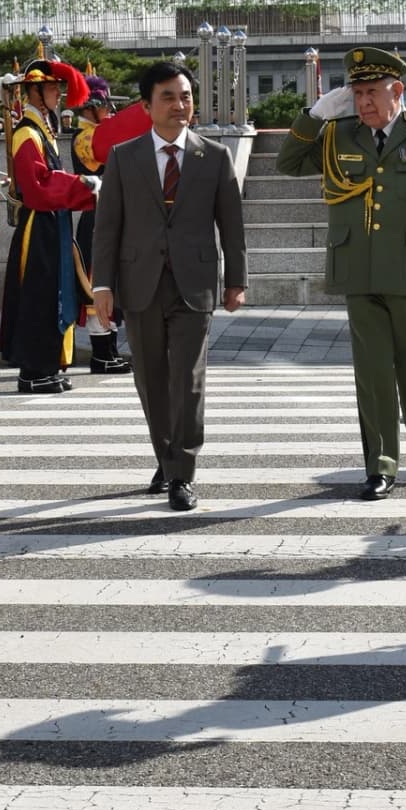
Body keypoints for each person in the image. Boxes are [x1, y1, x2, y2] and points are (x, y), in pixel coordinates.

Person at [275, 47, 406, 499]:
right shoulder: (338, 135)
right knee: (373, 373)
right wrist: (316, 114)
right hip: (358, 270)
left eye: (372, 92)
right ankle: (380, 465)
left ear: (396, 91)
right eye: (357, 93)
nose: (364, 103)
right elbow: (287, 164)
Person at [91, 61, 248, 511]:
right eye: (169, 97)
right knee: (151, 380)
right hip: (138, 283)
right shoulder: (123, 156)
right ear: (146, 105)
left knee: (188, 380)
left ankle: (183, 473)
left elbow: (231, 227)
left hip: (194, 284)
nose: (180, 106)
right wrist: (103, 286)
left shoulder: (214, 156)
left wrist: (235, 280)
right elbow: (108, 228)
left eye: (185, 97)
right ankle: (167, 454)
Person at [0, 59, 99, 394]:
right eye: (53, 88)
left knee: (52, 294)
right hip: (38, 225)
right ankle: (33, 370)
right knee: (38, 297)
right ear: (36, 93)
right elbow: (37, 184)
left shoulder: (42, 130)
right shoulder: (28, 132)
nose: (59, 94)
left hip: (52, 222)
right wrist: (80, 184)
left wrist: (79, 188)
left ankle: (47, 364)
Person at [72, 74, 130, 376]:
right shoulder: (85, 136)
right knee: (99, 283)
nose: (109, 111)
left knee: (113, 284)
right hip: (96, 216)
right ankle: (101, 353)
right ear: (91, 107)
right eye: (105, 105)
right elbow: (99, 161)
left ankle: (111, 349)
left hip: (112, 214)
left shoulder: (100, 132)